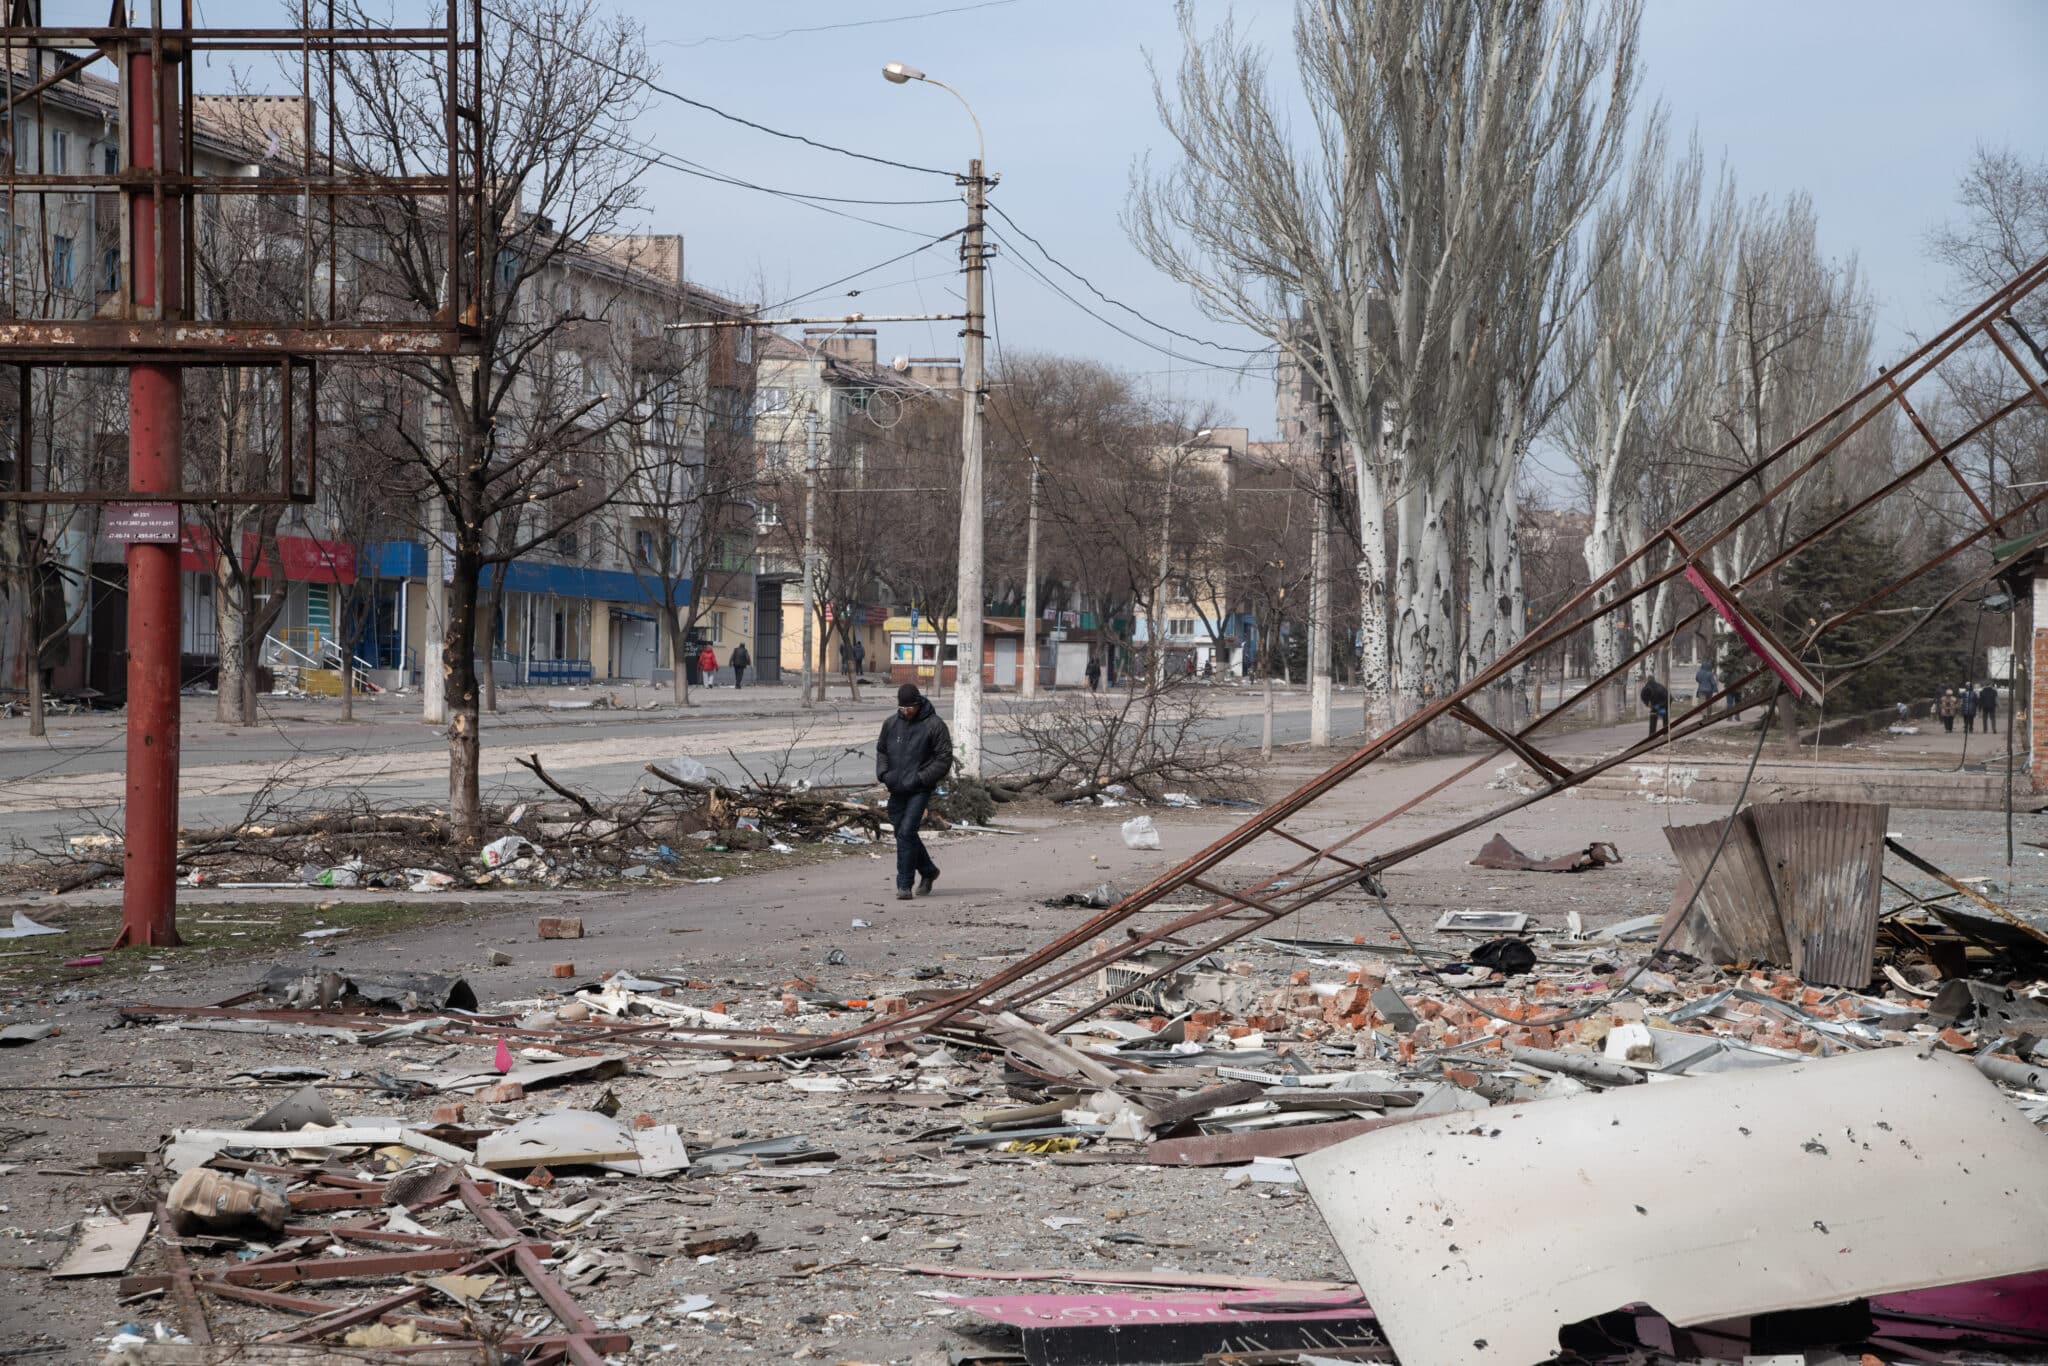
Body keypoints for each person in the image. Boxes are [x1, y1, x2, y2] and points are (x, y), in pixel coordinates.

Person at [876, 683, 952, 901]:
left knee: (907, 832)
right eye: (902, 708)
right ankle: (928, 871)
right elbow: (881, 750)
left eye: (910, 707)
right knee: (903, 832)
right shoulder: (891, 724)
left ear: (918, 703)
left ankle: (904, 884)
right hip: (896, 787)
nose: (906, 711)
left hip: (920, 788)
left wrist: (921, 778)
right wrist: (883, 774)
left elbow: (944, 758)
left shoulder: (934, 725)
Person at [1640, 676, 1670, 741]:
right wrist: (1647, 703)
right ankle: (1652, 736)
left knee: (1665, 718)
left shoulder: (1660, 689)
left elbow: (1669, 699)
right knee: (1653, 718)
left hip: (1664, 702)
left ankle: (1666, 735)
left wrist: (1659, 706)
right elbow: (1643, 698)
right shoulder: (1644, 690)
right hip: (1655, 703)